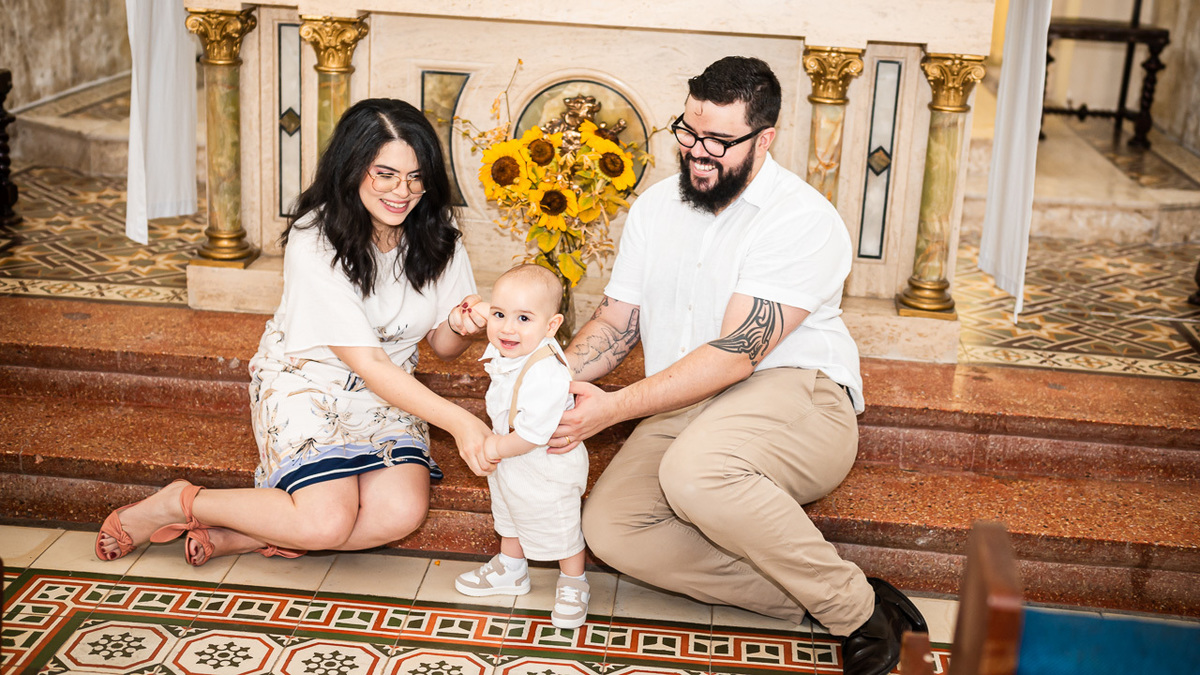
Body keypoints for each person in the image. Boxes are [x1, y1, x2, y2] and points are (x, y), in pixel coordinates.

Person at [552, 57, 926, 675]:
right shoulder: (653, 209)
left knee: (698, 473)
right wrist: (545, 382)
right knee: (612, 528)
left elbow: (736, 353)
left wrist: (615, 407)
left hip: (796, 395)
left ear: (765, 138)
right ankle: (835, 594)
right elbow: (618, 322)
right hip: (684, 400)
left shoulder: (802, 219)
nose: (699, 153)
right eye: (688, 133)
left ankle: (854, 613)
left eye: (720, 142)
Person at [96, 98, 495, 565]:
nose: (402, 191)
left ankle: (244, 535)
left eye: (415, 176)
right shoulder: (315, 237)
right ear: (352, 167)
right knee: (325, 521)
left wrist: (458, 326)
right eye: (385, 174)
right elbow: (366, 362)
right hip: (308, 382)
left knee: (400, 514)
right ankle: (181, 501)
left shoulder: (438, 230)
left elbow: (442, 348)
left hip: (391, 392)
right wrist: (462, 422)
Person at [453, 264, 590, 630]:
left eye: (524, 318)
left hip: (546, 464)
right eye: (500, 315)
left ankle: (574, 582)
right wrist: (482, 311)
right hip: (514, 458)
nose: (507, 328)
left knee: (560, 527)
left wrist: (494, 445)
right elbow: (492, 314)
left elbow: (533, 435)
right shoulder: (515, 342)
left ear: (551, 326)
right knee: (509, 512)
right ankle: (511, 570)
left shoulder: (546, 371)